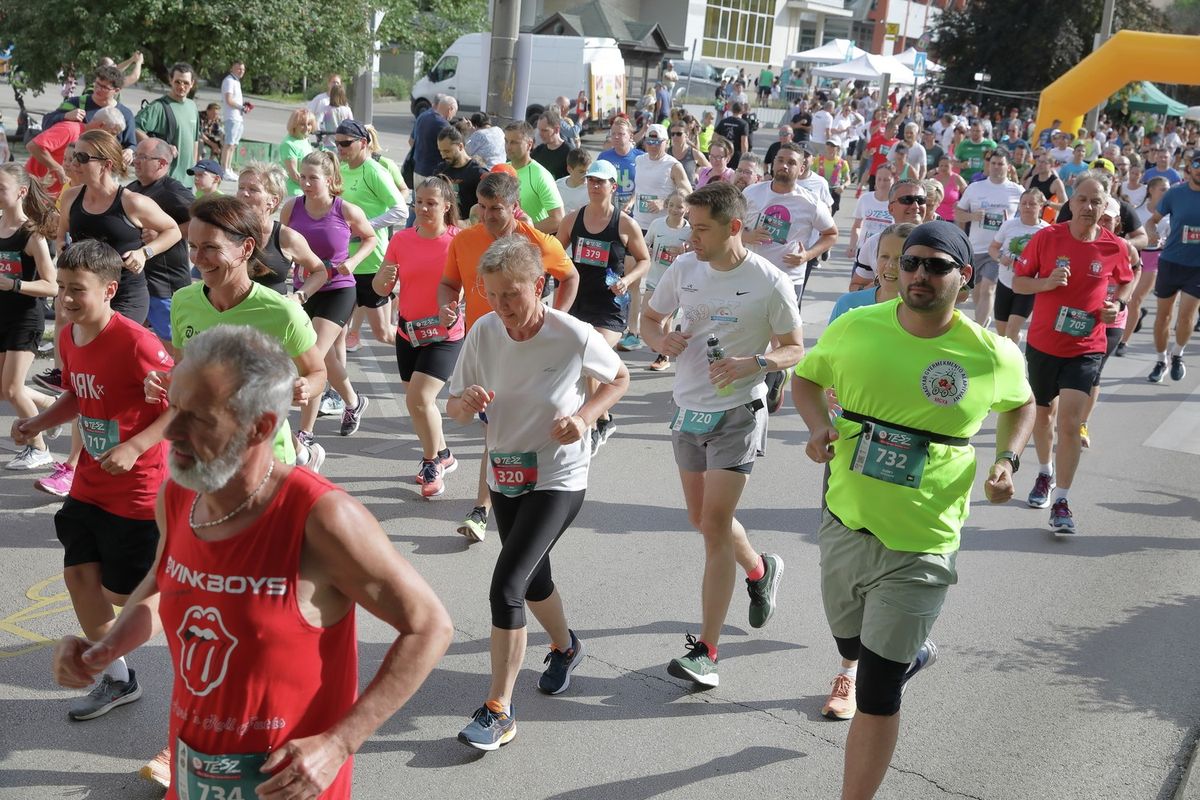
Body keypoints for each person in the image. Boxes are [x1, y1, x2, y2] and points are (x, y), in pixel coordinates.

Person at [61, 324, 453, 796]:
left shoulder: (321, 517)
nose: (174, 432)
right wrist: (106, 650)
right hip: (193, 776)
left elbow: (429, 625)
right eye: (174, 408)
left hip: (287, 783)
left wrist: (339, 743)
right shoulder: (178, 495)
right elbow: (161, 585)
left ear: (262, 426)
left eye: (200, 418)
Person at [792, 220, 1034, 800]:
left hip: (924, 540)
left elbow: (1022, 404)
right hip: (846, 519)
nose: (920, 274)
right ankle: (908, 652)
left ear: (964, 277)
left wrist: (1008, 461)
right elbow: (806, 379)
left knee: (876, 688)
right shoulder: (856, 327)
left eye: (936, 266)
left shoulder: (989, 353)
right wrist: (819, 425)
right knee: (848, 642)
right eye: (911, 263)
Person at [446, 235, 627, 749]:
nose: (503, 306)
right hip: (507, 473)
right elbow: (455, 409)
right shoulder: (484, 331)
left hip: (559, 476)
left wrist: (585, 418)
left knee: (507, 584)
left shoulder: (571, 334)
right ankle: (566, 647)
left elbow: (619, 377)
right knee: (533, 576)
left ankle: (499, 708)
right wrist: (467, 401)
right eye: (494, 294)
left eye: (513, 294)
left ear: (540, 285)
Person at [640, 182, 805, 689]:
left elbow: (795, 348)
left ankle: (706, 652)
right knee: (701, 518)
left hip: (739, 411)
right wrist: (659, 338)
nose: (691, 236)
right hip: (688, 410)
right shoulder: (686, 269)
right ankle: (759, 569)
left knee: (713, 525)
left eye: (701, 227)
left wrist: (756, 362)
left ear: (734, 228)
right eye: (689, 225)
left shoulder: (769, 281)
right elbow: (648, 318)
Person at [15, 241, 173, 723]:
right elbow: (78, 397)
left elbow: (178, 407)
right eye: (61, 288)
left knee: (126, 597)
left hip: (139, 487)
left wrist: (134, 446)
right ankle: (119, 677)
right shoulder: (67, 336)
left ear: (109, 290)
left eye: (76, 290)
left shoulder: (137, 342)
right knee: (79, 573)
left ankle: (190, 589)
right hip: (89, 484)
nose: (64, 298)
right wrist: (39, 424)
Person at [438, 172, 580, 542]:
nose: (486, 216)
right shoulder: (466, 240)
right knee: (495, 429)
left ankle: (487, 507)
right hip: (483, 347)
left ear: (515, 208)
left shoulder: (538, 242)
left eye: (496, 209)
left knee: (499, 430)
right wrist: (447, 307)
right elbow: (449, 284)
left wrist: (556, 322)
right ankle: (501, 503)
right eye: (481, 208)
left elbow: (570, 277)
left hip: (531, 349)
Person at [151, 194, 327, 475]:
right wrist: (164, 382)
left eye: (210, 247)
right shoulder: (183, 301)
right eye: (193, 246)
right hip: (203, 450)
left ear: (245, 248)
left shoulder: (283, 313)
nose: (197, 259)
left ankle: (303, 456)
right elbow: (183, 369)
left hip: (265, 458)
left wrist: (305, 386)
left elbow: (318, 372)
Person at [1012, 176, 1135, 533]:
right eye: (1082, 200)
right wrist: (1046, 283)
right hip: (1044, 343)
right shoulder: (1047, 238)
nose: (1088, 207)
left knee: (1069, 423)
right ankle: (1044, 474)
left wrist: (1118, 302)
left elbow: (1127, 280)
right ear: (1072, 203)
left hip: (1087, 346)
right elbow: (1019, 282)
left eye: (1096, 202)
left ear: (1104, 206)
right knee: (1043, 417)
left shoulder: (1114, 246)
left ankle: (1062, 500)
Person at [375, 177, 463, 498]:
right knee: (419, 406)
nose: (423, 208)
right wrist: (382, 280)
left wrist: (455, 307)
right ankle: (443, 454)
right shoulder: (400, 240)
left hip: (444, 334)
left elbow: (471, 283)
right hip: (408, 332)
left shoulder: (458, 241)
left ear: (446, 207)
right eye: (419, 202)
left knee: (420, 399)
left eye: (432, 203)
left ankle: (430, 464)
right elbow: (379, 289)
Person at [281, 151, 375, 450]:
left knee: (313, 357)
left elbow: (370, 237)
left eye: (313, 178)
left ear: (331, 180)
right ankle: (353, 401)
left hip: (339, 289)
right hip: (304, 290)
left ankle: (305, 432)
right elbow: (282, 243)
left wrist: (354, 261)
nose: (306, 184)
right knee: (325, 357)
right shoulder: (292, 208)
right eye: (303, 177)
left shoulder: (345, 210)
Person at [555, 159, 650, 452]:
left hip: (610, 306)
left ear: (613, 186)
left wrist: (627, 279)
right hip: (577, 301)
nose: (595, 186)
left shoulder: (624, 223)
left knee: (590, 355)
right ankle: (605, 417)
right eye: (591, 181)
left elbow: (645, 260)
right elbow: (555, 253)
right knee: (585, 362)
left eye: (601, 181)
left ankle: (594, 424)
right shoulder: (573, 219)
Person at [0, 165, 60, 470]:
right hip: (1, 316)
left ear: (21, 192)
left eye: (1, 188)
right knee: (3, 388)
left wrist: (13, 284)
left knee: (11, 389)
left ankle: (39, 448)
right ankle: (50, 406)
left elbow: (51, 285)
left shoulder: (31, 234)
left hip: (25, 319)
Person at [334, 120, 408, 351]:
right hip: (344, 261)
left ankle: (426, 351)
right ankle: (337, 385)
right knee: (337, 331)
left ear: (363, 143)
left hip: (371, 263)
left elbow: (400, 210)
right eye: (337, 144)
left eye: (345, 143)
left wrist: (365, 226)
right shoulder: (341, 170)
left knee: (383, 333)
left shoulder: (375, 171)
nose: (340, 149)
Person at [128, 137, 195, 350]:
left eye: (143, 157)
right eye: (136, 156)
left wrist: (163, 231)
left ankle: (180, 381)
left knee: (173, 345)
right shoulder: (132, 188)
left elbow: (205, 220)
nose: (136, 161)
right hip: (137, 280)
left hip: (165, 284)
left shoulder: (172, 190)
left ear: (162, 163)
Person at [1145, 151, 1200, 382]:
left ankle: (1177, 353)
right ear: (1190, 167)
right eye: (1197, 164)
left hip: (1197, 266)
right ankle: (1160, 360)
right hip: (1170, 262)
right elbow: (1152, 219)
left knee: (1186, 317)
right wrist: (1151, 231)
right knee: (1163, 317)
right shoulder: (1175, 194)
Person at [235, 161, 327, 298]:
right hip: (232, 314)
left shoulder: (286, 237)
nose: (244, 194)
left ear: (273, 200)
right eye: (241, 188)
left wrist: (298, 297)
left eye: (253, 189)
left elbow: (320, 271)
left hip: (272, 314)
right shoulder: (226, 230)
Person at [957, 148, 1024, 325]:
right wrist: (973, 216)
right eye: (993, 163)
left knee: (988, 289)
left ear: (1008, 167)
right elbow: (958, 213)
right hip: (976, 247)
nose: (996, 167)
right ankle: (983, 319)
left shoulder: (1017, 190)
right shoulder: (975, 188)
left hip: (998, 249)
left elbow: (1027, 219)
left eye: (1000, 164)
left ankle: (979, 331)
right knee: (977, 293)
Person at [988, 188, 1049, 343]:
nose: (1027, 207)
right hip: (1005, 281)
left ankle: (1011, 362)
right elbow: (993, 248)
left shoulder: (1047, 230)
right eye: (1024, 203)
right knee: (1002, 332)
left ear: (1041, 206)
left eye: (1032, 204)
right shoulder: (1009, 225)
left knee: (1011, 329)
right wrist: (1000, 257)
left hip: (1028, 285)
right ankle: (1014, 341)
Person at [1118, 175, 1171, 355]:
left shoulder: (1171, 213)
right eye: (1163, 189)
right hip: (1135, 258)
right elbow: (1129, 235)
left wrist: (1163, 240)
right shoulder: (1138, 212)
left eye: (1168, 189)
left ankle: (1123, 343)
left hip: (1155, 258)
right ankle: (1136, 316)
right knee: (1129, 298)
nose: (1167, 192)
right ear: (1151, 190)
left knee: (1135, 300)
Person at [26, 106, 126, 198]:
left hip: (57, 195)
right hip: (36, 189)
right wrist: (57, 168)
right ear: (101, 125)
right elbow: (33, 146)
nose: (112, 138)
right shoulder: (70, 129)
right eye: (112, 133)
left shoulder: (93, 142)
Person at [40, 65, 137, 156]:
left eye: (104, 87)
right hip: (73, 164)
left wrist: (130, 151)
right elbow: (46, 123)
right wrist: (64, 116)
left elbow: (131, 144)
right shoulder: (75, 103)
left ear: (116, 90)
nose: (98, 89)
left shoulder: (125, 114)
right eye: (97, 84)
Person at [826, 221, 913, 323]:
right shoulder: (848, 304)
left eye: (900, 259)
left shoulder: (925, 314)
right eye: (884, 256)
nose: (890, 265)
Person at [642, 189, 690, 371]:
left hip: (676, 283)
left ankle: (663, 354)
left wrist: (684, 251)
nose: (674, 209)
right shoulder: (656, 224)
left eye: (679, 206)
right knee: (649, 313)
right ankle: (662, 347)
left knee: (663, 320)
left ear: (687, 209)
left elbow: (694, 254)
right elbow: (646, 242)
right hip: (654, 278)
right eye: (671, 205)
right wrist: (647, 250)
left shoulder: (689, 231)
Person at [133, 62, 200, 188]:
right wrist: (161, 148)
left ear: (192, 83)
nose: (181, 86)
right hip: (167, 181)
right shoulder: (158, 106)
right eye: (177, 82)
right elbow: (135, 128)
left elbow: (195, 141)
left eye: (186, 83)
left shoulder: (192, 106)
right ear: (170, 80)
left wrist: (195, 169)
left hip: (188, 181)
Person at [505, 122, 564, 235]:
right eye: (506, 141)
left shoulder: (540, 175)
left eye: (514, 142)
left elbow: (557, 219)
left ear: (529, 144)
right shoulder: (503, 169)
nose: (508, 146)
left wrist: (521, 232)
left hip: (531, 247)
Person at [437, 125, 489, 221]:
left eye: (447, 151)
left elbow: (488, 206)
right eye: (441, 151)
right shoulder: (440, 170)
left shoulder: (479, 173)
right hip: (444, 227)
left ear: (460, 146)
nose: (443, 156)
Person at [412, 94, 458, 187]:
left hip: (417, 170)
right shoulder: (444, 125)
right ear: (450, 109)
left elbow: (411, 141)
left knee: (419, 200)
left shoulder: (423, 117)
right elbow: (454, 152)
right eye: (455, 112)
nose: (454, 116)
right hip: (433, 175)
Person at [219, 61, 247, 180]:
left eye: (243, 69)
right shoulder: (229, 81)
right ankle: (224, 169)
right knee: (229, 144)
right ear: (232, 68)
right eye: (239, 69)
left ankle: (228, 168)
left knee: (233, 145)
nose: (241, 71)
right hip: (231, 117)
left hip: (238, 117)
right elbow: (229, 100)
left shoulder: (236, 81)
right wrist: (241, 107)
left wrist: (243, 107)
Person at [279, 107, 315, 196]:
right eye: (302, 124)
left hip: (305, 191)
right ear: (294, 125)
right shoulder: (288, 144)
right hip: (294, 193)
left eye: (309, 124)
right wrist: (312, 186)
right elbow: (294, 175)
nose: (307, 128)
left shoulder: (305, 139)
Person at [532, 110, 573, 180]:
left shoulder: (570, 152)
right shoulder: (538, 151)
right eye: (539, 130)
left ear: (557, 129)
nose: (540, 134)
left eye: (545, 130)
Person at [555, 148, 592, 216]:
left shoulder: (592, 188)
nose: (586, 175)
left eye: (588, 170)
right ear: (569, 169)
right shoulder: (557, 186)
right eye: (581, 172)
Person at [714, 102, 750, 168]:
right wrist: (745, 157)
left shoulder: (723, 121)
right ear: (742, 111)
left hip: (723, 152)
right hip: (736, 155)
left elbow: (715, 137)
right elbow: (744, 142)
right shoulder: (744, 124)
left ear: (732, 110)